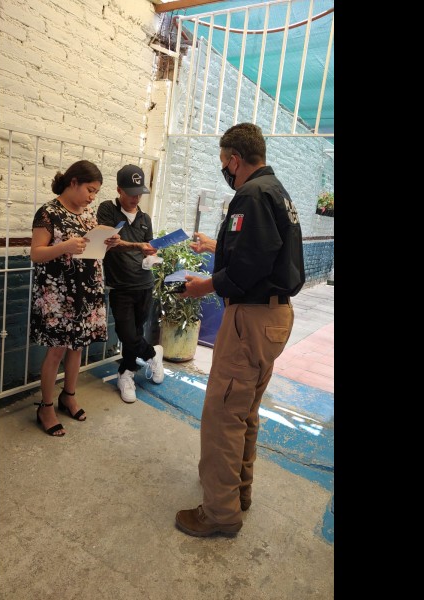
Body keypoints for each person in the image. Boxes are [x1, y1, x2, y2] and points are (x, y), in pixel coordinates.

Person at [174, 123, 306, 536]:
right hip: (273, 317)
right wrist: (217, 252)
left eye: (223, 162)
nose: (224, 171)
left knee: (222, 415)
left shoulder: (251, 194)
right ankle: (237, 492)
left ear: (234, 159)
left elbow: (247, 267)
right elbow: (264, 254)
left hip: (250, 318)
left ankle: (219, 513)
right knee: (244, 410)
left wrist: (201, 287)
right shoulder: (276, 192)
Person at [29, 160, 120, 437]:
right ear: (73, 182)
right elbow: (36, 254)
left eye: (96, 193)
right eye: (90, 190)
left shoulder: (87, 213)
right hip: (59, 295)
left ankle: (68, 395)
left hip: (87, 290)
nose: (92, 197)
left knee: (78, 347)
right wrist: (65, 246)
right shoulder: (48, 212)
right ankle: (45, 407)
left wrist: (107, 243)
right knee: (57, 350)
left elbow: (90, 247)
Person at [96, 164, 164, 403]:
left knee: (134, 333)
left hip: (144, 283)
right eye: (131, 193)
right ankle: (153, 353)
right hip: (120, 286)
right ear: (119, 190)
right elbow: (109, 242)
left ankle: (126, 373)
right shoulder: (107, 210)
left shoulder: (145, 219)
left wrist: (152, 256)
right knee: (126, 332)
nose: (136, 198)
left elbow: (149, 248)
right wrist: (137, 246)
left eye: (139, 193)